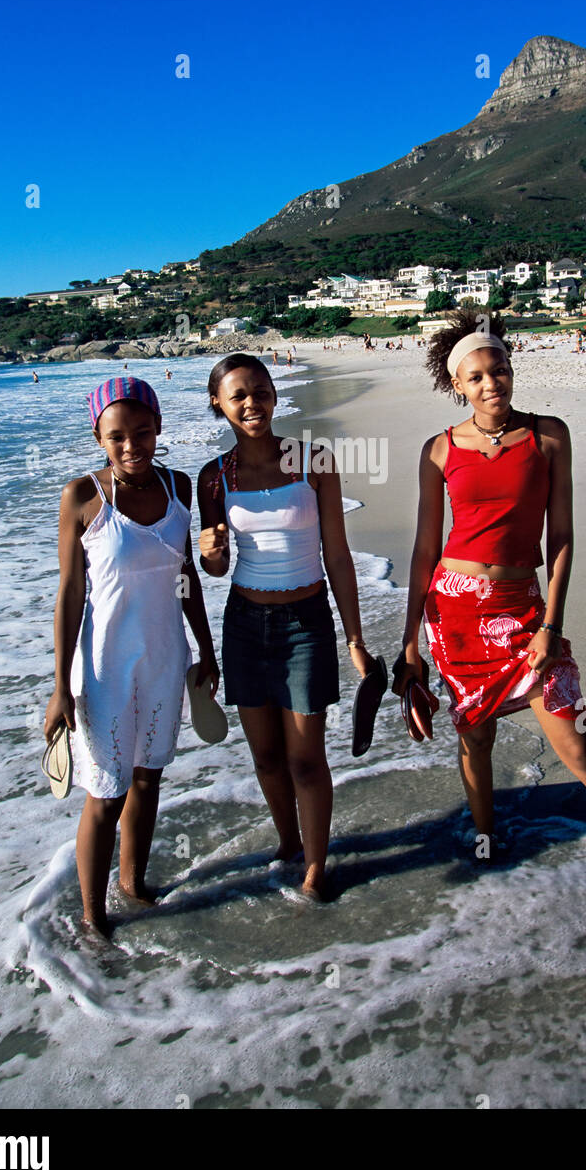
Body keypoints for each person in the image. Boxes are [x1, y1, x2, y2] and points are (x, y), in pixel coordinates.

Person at [393, 311, 586, 949]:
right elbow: (425, 550)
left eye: (500, 370)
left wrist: (549, 624)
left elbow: (560, 538)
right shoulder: (438, 449)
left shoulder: (548, 437)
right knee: (475, 737)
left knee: (581, 748)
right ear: (457, 384)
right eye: (477, 376)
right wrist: (409, 646)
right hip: (453, 610)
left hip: (521, 611)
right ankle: (486, 840)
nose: (492, 384)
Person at [44, 377, 218, 940]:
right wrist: (57, 689)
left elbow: (186, 573)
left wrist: (207, 650)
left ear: (159, 428)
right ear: (99, 436)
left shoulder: (179, 487)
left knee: (149, 778)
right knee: (105, 791)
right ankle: (94, 918)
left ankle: (133, 885)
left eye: (142, 432)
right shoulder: (82, 497)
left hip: (166, 655)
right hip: (104, 665)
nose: (131, 445)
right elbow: (71, 593)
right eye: (116, 436)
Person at [197, 354, 375, 902]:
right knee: (267, 757)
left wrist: (355, 639)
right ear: (219, 406)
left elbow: (338, 555)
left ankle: (317, 866)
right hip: (245, 626)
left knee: (305, 756)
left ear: (275, 394)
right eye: (238, 396)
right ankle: (287, 841)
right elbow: (217, 567)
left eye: (261, 390)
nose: (252, 403)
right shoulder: (214, 477)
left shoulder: (313, 461)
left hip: (307, 624)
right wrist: (210, 554)